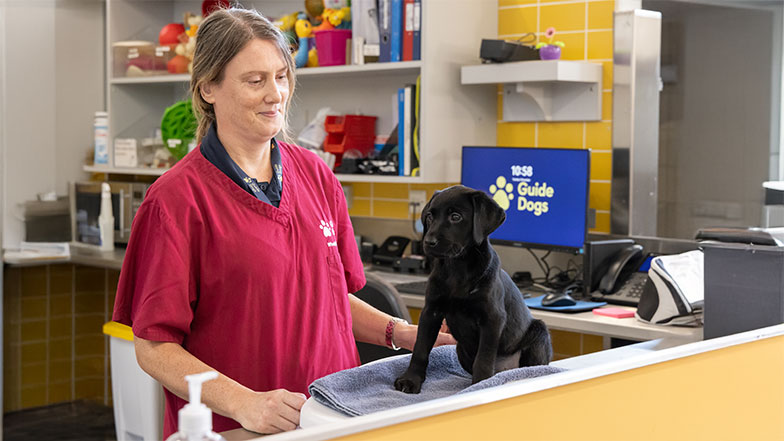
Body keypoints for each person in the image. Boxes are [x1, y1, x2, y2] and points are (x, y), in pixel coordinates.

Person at [112, 6, 454, 438]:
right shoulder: (176, 200)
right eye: (255, 81)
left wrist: (402, 333)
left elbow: (325, 298)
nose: (275, 93)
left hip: (333, 414)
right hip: (235, 428)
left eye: (281, 76)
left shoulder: (316, 175)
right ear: (209, 90)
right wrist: (244, 403)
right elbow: (153, 345)